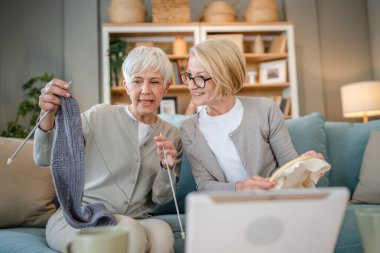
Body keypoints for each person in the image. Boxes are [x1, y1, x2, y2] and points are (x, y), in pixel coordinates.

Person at [34, 46, 182, 253]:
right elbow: (45, 157)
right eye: (137, 81)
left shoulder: (172, 135)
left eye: (154, 82)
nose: (146, 90)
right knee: (130, 232)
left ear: (166, 88)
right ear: (126, 86)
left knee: (162, 233)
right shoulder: (98, 116)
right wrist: (46, 113)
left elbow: (161, 198)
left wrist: (166, 168)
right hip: (81, 216)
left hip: (135, 218)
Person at [179, 38, 323, 192]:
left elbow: (289, 164)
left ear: (224, 77)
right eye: (188, 75)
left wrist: (306, 166)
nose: (191, 85)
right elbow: (204, 185)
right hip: (228, 208)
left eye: (200, 77)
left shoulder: (265, 109)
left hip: (273, 201)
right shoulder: (189, 128)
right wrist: (240, 188)